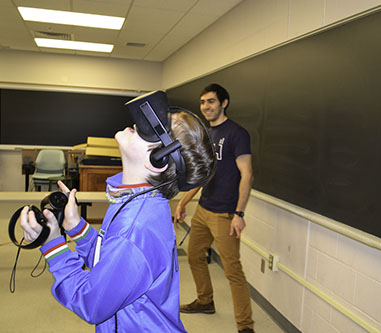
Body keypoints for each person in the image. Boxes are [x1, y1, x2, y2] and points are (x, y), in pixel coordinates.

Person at [18, 91, 216, 332]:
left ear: (157, 160)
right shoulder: (134, 200)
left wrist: (53, 247)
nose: (138, 125)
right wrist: (77, 228)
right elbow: (112, 264)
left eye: (155, 128)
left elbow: (93, 304)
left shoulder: (136, 225)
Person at [174, 83, 255, 333]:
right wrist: (184, 202)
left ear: (224, 103)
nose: (206, 107)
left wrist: (239, 214)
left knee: (233, 271)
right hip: (204, 209)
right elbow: (203, 174)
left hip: (225, 213)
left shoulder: (237, 133)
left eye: (211, 101)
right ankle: (205, 301)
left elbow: (247, 174)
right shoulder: (206, 135)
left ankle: (245, 326)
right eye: (203, 102)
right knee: (195, 255)